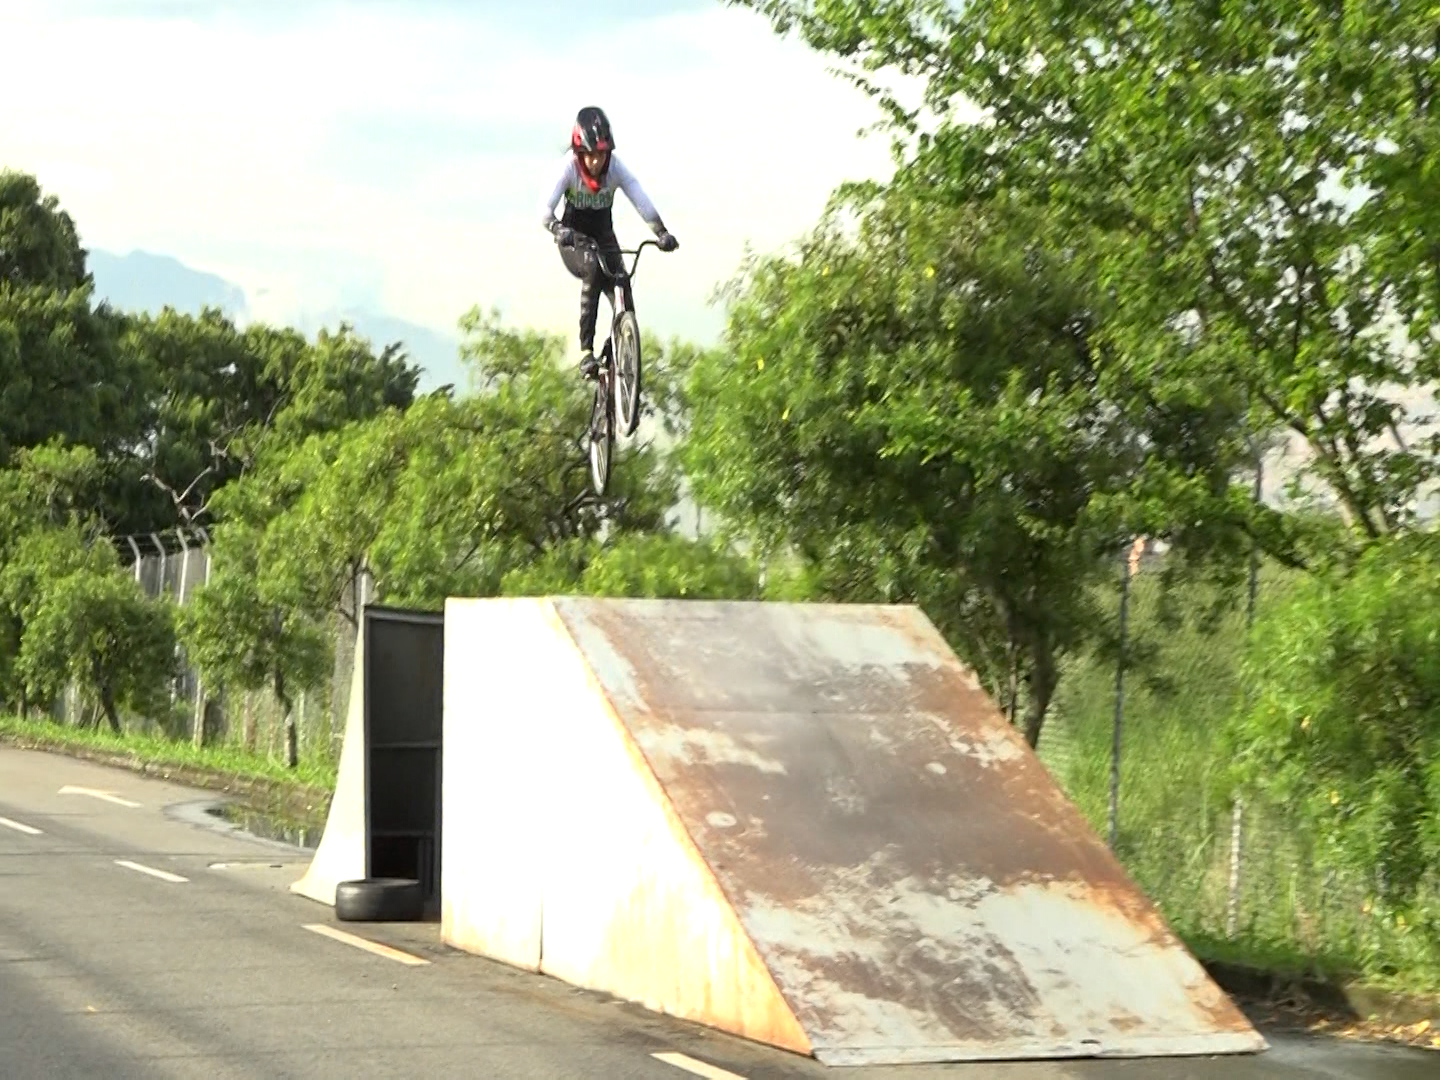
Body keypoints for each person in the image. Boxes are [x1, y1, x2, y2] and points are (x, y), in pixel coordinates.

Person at [541, 106, 678, 379]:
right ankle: (586, 352)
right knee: (592, 268)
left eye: (601, 154)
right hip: (573, 238)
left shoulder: (615, 169)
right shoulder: (568, 168)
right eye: (590, 155)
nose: (595, 161)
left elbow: (640, 199)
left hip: (604, 234)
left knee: (622, 280)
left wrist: (661, 232)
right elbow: (544, 208)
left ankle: (623, 350)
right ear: (580, 153)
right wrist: (557, 228)